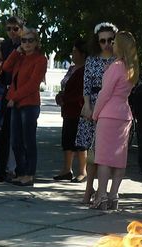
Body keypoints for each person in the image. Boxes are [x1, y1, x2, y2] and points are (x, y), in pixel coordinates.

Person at [90, 31, 138, 210]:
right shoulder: (132, 67)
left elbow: (104, 94)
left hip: (109, 113)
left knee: (103, 159)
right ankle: (113, 196)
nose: (112, 45)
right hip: (124, 114)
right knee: (119, 159)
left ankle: (101, 196)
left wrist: (95, 113)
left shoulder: (116, 66)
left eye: (115, 42)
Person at [77, 21, 118, 204]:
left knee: (106, 154)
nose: (107, 44)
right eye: (103, 41)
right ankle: (88, 189)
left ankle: (104, 192)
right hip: (92, 107)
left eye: (110, 40)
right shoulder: (91, 60)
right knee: (92, 153)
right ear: (97, 42)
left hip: (111, 109)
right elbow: (86, 84)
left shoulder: (119, 61)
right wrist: (87, 105)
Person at [1, 26, 47, 187]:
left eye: (30, 40)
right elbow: (5, 68)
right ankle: (20, 172)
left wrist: (14, 97)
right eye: (24, 40)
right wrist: (16, 51)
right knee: (15, 141)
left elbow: (33, 84)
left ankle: (29, 173)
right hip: (16, 103)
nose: (27, 43)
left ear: (36, 42)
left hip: (29, 104)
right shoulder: (20, 57)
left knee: (28, 140)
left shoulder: (40, 59)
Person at [0, 15, 24, 181]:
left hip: (19, 90)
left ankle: (20, 170)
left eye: (15, 29)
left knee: (18, 133)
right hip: (5, 89)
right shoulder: (4, 45)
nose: (12, 32)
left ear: (21, 29)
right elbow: (2, 66)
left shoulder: (25, 44)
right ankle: (0, 170)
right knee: (4, 132)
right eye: (9, 29)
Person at [54, 39, 88, 182]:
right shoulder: (71, 68)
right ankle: (66, 170)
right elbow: (65, 86)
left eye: (75, 51)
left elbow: (82, 92)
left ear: (82, 53)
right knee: (67, 140)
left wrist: (66, 98)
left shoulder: (86, 70)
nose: (72, 54)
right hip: (67, 110)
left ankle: (82, 171)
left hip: (79, 110)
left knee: (80, 141)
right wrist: (60, 96)